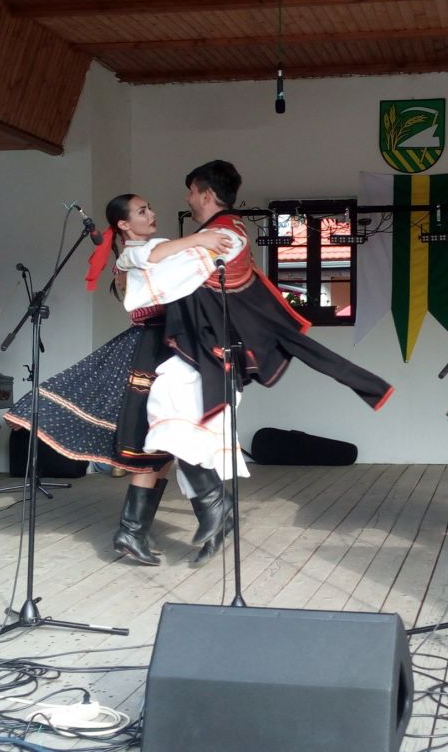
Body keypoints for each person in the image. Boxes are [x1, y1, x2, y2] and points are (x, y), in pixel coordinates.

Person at [160, 160, 394, 565]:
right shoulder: (214, 234)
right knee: (175, 432)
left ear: (207, 194)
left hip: (215, 362)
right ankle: (211, 515)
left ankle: (215, 512)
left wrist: (142, 251)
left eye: (191, 191)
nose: (187, 198)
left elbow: (167, 271)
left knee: (191, 437)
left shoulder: (225, 235)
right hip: (198, 358)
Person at [5, 193, 233, 566]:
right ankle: (209, 509)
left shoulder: (161, 248)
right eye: (142, 211)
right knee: (166, 433)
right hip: (152, 348)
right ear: (124, 225)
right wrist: (199, 237)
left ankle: (136, 531)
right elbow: (154, 256)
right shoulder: (132, 254)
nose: (152, 213)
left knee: (158, 446)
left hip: (171, 345)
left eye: (150, 207)